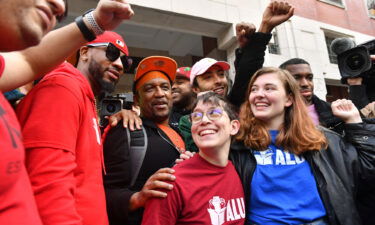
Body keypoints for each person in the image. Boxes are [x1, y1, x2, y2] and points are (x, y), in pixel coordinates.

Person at [0, 0, 133, 224]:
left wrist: (95, 23)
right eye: (111, 53)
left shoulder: (85, 97)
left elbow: (29, 60)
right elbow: (48, 182)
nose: (120, 64)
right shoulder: (63, 87)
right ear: (84, 52)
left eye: (125, 60)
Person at [230, 67, 375, 225]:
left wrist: (355, 122)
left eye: (269, 88)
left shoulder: (322, 140)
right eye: (254, 89)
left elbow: (366, 173)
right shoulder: (237, 145)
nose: (258, 94)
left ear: (288, 99)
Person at [178, 1, 294, 152]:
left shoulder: (236, 104)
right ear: (195, 88)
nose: (218, 81)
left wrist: (265, 27)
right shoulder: (187, 121)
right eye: (208, 77)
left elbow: (247, 72)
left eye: (221, 74)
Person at [103, 56, 185, 225]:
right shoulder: (126, 129)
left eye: (165, 87)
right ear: (136, 99)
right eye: (149, 89)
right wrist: (137, 198)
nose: (160, 93)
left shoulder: (181, 131)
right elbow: (105, 191)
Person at [142, 92, 244, 225]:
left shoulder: (240, 171)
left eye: (214, 113)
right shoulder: (169, 182)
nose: (204, 120)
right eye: (196, 116)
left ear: (234, 126)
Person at [279, 58, 343, 133]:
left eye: (309, 78)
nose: (305, 84)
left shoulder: (334, 111)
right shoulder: (274, 113)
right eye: (296, 78)